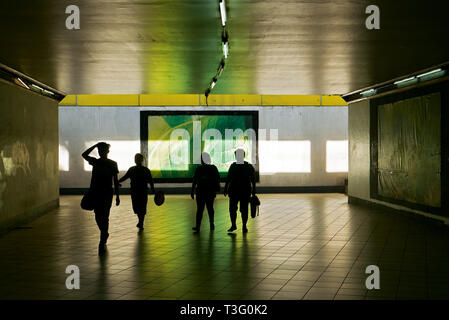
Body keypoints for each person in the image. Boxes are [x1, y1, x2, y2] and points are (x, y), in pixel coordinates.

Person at [82, 142, 120, 254]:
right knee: (99, 216)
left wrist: (117, 196)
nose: (100, 152)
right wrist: (95, 146)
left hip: (106, 193)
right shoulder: (96, 161)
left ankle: (103, 238)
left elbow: (115, 181)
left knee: (104, 216)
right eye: (99, 150)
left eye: (101, 150)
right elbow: (84, 155)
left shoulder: (111, 163)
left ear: (107, 151)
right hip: (97, 193)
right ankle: (104, 232)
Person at [118, 153, 155, 231]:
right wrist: (152, 189)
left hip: (135, 191)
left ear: (141, 160)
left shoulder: (133, 169)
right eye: (136, 158)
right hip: (143, 191)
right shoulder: (145, 170)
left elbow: (125, 177)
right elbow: (151, 181)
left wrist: (117, 181)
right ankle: (140, 221)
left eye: (137, 158)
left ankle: (140, 222)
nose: (136, 160)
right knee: (141, 207)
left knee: (137, 207)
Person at [224, 149, 256, 233]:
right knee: (244, 209)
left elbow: (229, 178)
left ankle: (234, 225)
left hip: (234, 191)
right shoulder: (248, 166)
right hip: (245, 191)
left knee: (232, 209)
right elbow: (253, 179)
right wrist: (254, 189)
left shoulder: (233, 166)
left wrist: (225, 188)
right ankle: (244, 226)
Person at [191, 152, 220, 233]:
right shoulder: (213, 168)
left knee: (200, 209)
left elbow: (195, 181)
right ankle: (211, 223)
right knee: (210, 208)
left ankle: (198, 226)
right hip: (210, 192)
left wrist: (192, 191)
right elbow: (218, 178)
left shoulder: (199, 169)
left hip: (200, 191)